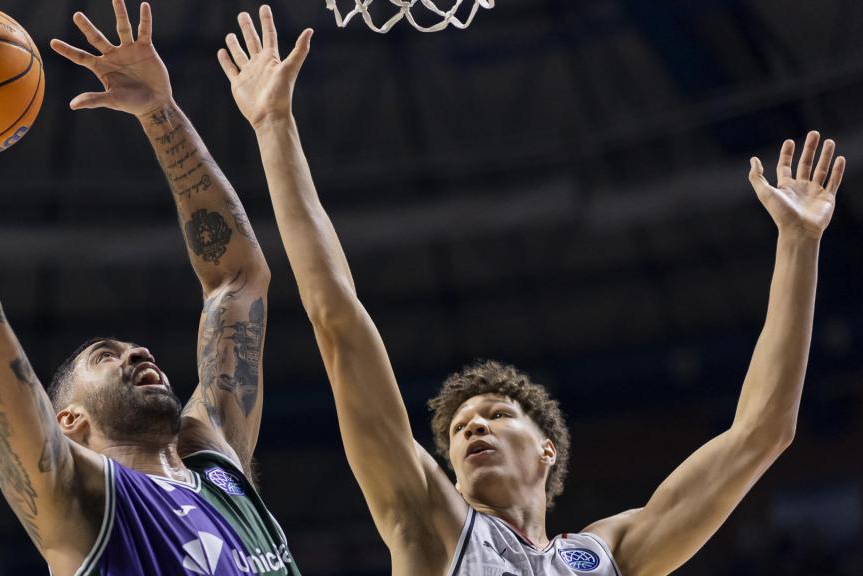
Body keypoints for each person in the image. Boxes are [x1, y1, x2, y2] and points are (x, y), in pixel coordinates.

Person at [217, 6, 847, 575]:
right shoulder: (431, 523)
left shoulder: (610, 555)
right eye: (461, 427)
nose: (472, 430)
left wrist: (798, 244)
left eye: (493, 415)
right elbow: (337, 321)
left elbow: (763, 432)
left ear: (548, 449)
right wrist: (274, 125)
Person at [0, 1, 299, 574]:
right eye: (106, 355)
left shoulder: (216, 456)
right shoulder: (73, 495)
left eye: (128, 349)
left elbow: (238, 279)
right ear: (68, 421)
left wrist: (160, 111)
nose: (139, 351)